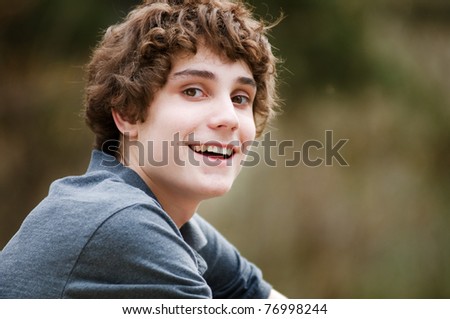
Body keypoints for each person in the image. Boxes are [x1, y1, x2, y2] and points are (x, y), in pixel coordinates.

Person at [0, 0, 284, 298]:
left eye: (240, 98)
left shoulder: (175, 224)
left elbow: (265, 300)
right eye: (193, 91)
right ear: (128, 113)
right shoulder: (121, 222)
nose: (228, 118)